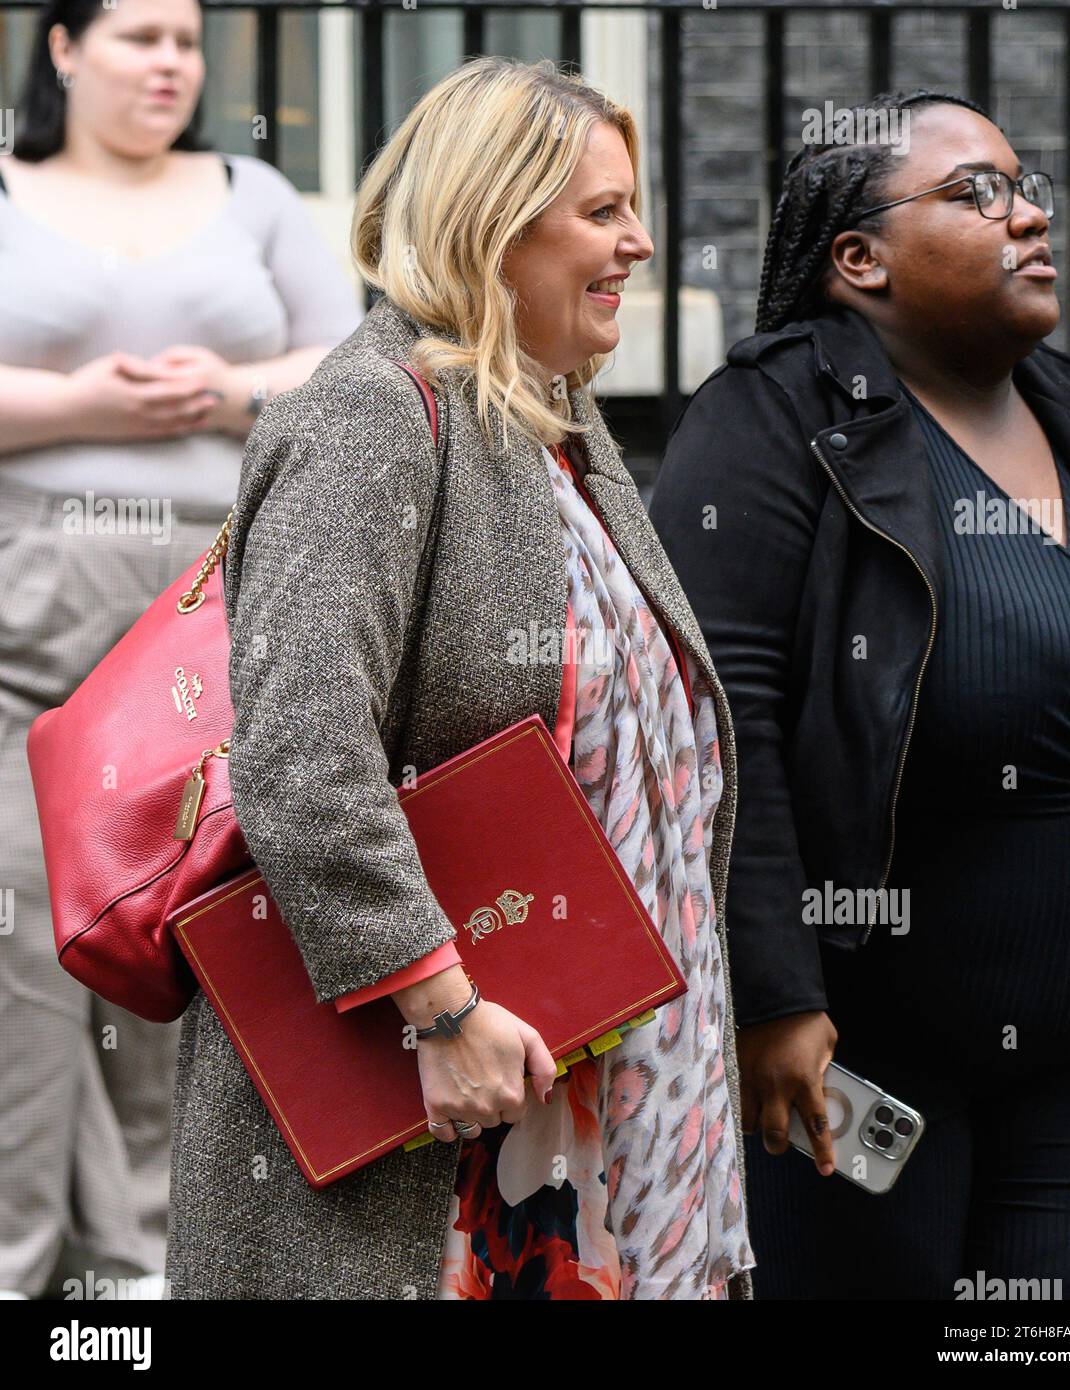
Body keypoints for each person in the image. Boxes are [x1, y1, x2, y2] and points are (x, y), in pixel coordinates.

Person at [164, 55, 756, 1301]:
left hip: (602, 1112)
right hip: (450, 1133)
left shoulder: (561, 426)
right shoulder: (370, 416)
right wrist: (438, 1008)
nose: (641, 243)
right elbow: (304, 752)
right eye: (603, 212)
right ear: (492, 221)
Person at [648, 87, 1070, 1299]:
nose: (1025, 216)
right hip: (862, 1057)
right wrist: (773, 995)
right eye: (976, 193)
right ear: (858, 260)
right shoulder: (777, 409)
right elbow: (723, 712)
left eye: (1029, 189)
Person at [0, 0, 361, 1299]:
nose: (171, 64)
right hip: (26, 617)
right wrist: (83, 404)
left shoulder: (250, 190)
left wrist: (227, 391)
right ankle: (25, 1266)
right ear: (60, 46)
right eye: (140, 35)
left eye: (187, 41)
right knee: (35, 944)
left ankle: (154, 1266)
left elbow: (354, 361)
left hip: (219, 610)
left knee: (194, 925)